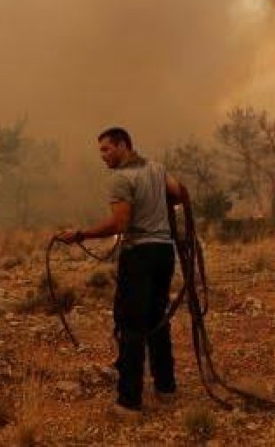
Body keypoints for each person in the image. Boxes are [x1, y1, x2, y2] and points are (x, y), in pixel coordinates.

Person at [59, 127, 182, 419]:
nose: (103, 156)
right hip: (164, 252)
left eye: (106, 149)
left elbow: (120, 224)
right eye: (101, 150)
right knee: (158, 319)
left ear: (123, 145)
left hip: (139, 254)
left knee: (131, 326)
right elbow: (179, 193)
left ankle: (129, 402)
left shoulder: (120, 179)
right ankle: (166, 389)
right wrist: (158, 210)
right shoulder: (156, 168)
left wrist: (80, 234)